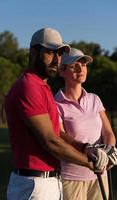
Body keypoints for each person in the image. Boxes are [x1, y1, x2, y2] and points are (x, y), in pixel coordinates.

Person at [5, 28, 102, 200]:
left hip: (46, 182)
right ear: (33, 52)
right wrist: (91, 163)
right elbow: (50, 141)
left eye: (59, 54)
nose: (57, 60)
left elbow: (56, 132)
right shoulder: (29, 87)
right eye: (50, 52)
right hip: (34, 184)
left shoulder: (42, 87)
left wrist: (85, 148)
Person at [55, 48, 117, 200]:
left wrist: (109, 150)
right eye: (74, 65)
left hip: (99, 175)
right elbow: (60, 137)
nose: (80, 68)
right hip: (71, 178)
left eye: (83, 64)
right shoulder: (55, 103)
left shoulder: (94, 99)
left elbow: (108, 132)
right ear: (62, 71)